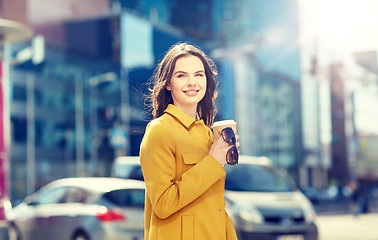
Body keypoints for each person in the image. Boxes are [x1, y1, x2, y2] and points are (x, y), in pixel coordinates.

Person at [140, 42, 239, 240]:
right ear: (168, 84)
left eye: (198, 74)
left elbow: (215, 207)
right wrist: (213, 161)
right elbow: (163, 204)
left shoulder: (206, 133)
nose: (192, 82)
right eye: (181, 75)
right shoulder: (159, 130)